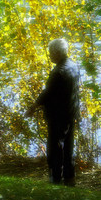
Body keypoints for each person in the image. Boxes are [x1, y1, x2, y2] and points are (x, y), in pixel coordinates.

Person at [25, 38, 81, 186]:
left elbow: (47, 93)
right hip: (71, 113)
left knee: (54, 149)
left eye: (51, 53)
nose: (49, 56)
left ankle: (55, 179)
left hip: (58, 116)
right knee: (68, 147)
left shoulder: (58, 72)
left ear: (57, 53)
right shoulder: (74, 66)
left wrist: (33, 107)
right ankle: (70, 179)